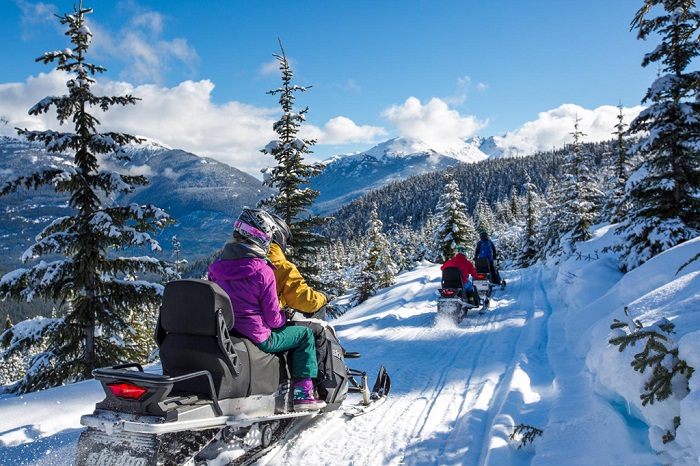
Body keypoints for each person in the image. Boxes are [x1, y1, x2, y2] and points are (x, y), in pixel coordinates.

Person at [207, 208, 326, 411]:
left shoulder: (216, 268)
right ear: (264, 237)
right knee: (305, 335)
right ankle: (303, 393)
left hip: (228, 331)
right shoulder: (263, 270)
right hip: (259, 336)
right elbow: (272, 319)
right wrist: (284, 316)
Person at [265, 212, 341, 386]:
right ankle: (316, 386)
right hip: (267, 326)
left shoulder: (245, 261)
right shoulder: (280, 265)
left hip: (241, 324)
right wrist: (323, 298)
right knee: (316, 332)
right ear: (279, 237)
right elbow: (304, 300)